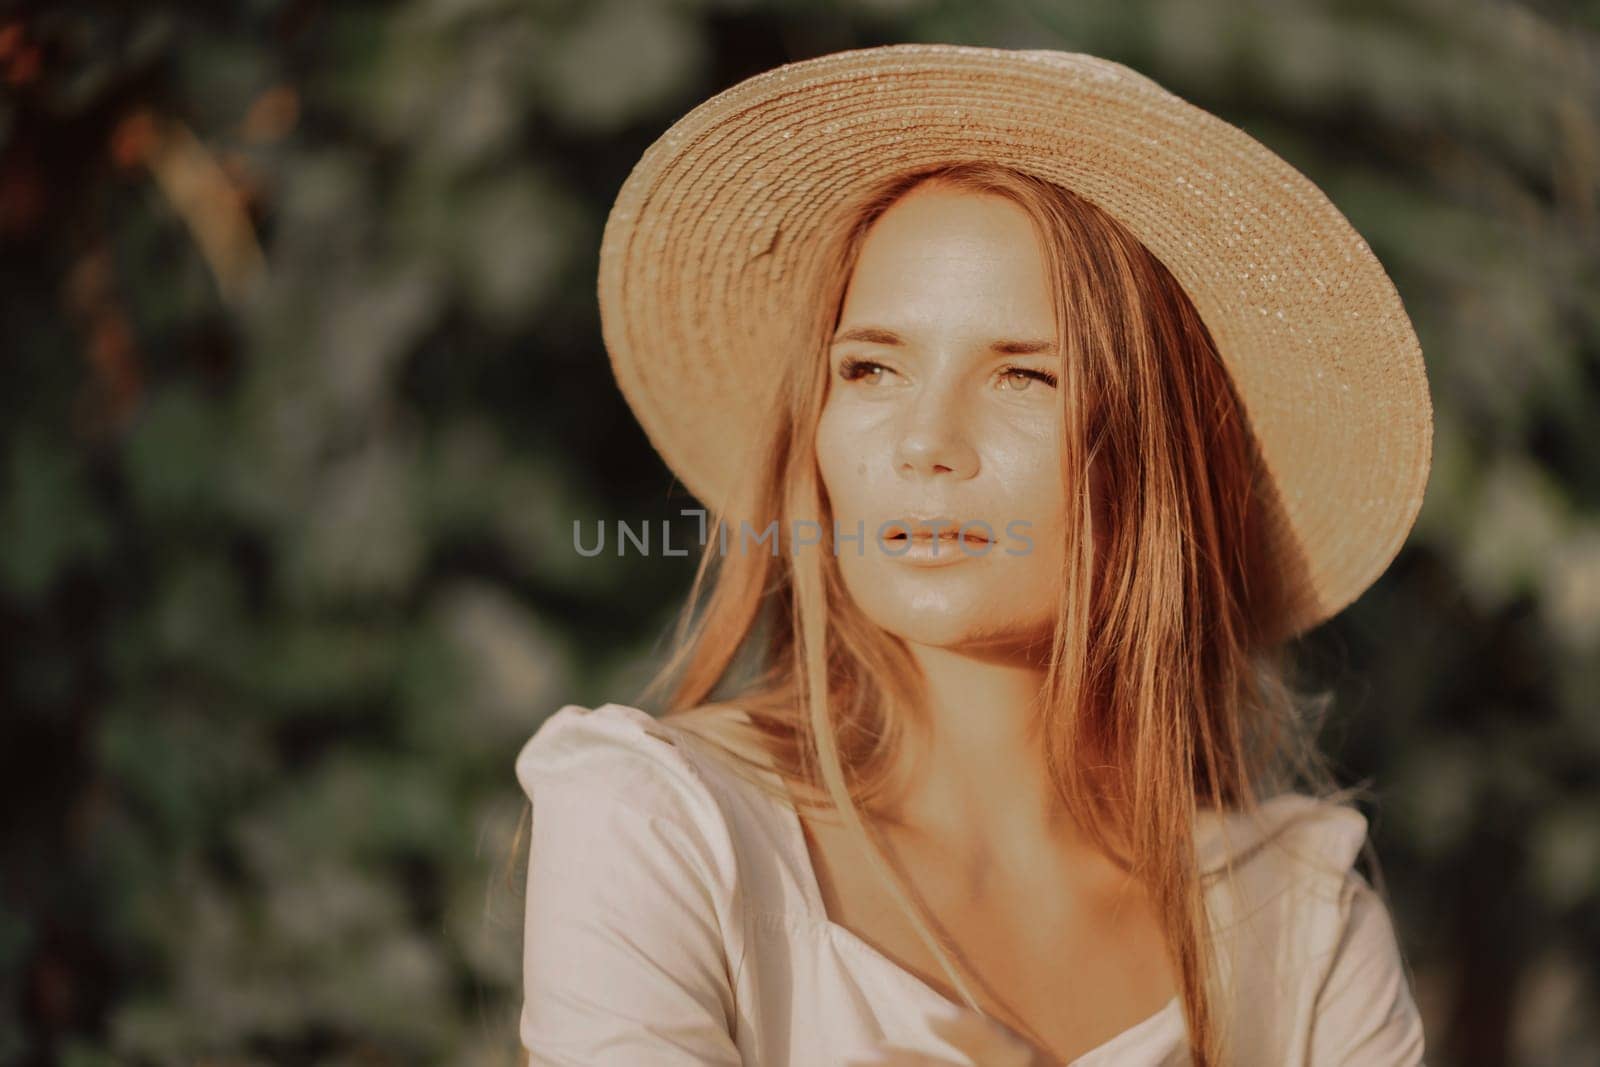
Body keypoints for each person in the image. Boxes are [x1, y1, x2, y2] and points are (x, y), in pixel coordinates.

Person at [514, 43, 1432, 1066]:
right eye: (869, 366)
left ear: (1161, 454)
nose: (923, 442)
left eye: (1024, 378)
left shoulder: (1300, 922)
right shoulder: (661, 828)